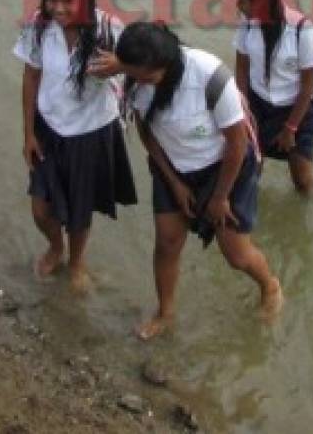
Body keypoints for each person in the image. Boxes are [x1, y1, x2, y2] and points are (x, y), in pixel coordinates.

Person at [116, 22, 282, 340]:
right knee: (166, 242)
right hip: (172, 166)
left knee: (235, 253)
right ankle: (165, 313)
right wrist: (174, 182)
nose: (140, 82)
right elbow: (147, 134)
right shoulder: (135, 79)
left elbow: (238, 144)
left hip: (224, 168)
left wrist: (220, 198)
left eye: (147, 76)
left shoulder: (210, 76)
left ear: (166, 65)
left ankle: (270, 286)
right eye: (134, 75)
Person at [13, 0, 137, 294]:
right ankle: (56, 246)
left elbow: (147, 70)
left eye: (67, 0)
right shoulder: (38, 26)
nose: (58, 8)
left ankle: (77, 261)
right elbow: (31, 76)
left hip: (92, 131)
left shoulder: (109, 29)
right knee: (40, 208)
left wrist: (120, 64)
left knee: (81, 210)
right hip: (48, 128)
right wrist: (28, 133)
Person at [234, 0, 313, 194]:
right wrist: (244, 114)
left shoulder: (303, 29)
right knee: (250, 175)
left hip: (296, 110)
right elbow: (242, 71)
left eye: (242, 0)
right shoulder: (246, 23)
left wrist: (290, 128)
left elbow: (308, 86)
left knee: (303, 181)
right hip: (258, 106)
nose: (237, 5)